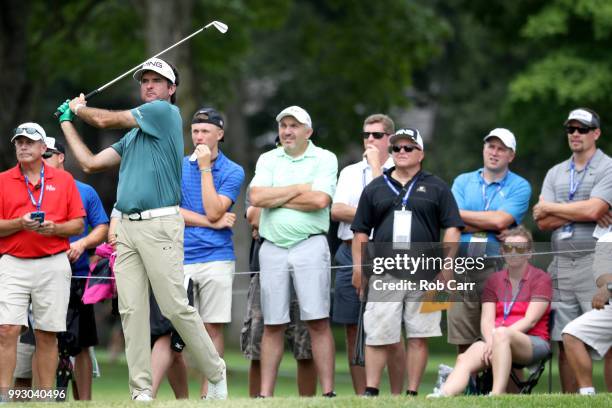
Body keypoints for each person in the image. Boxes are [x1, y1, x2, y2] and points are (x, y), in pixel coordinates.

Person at [57, 57, 226, 400]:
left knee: (174, 306)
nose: (148, 86)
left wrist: (79, 109)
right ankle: (141, 390)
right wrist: (66, 124)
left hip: (160, 224)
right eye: (144, 81)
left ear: (171, 89)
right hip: (128, 230)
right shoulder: (135, 135)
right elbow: (90, 163)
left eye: (156, 81)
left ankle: (216, 371)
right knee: (131, 310)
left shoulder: (165, 113)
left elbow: (105, 118)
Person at [351, 127, 464, 396]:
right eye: (396, 148)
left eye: (408, 148)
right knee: (378, 332)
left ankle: (412, 393)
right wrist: (359, 268)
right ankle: (371, 390)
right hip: (383, 271)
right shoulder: (375, 187)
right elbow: (360, 231)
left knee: (419, 334)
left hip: (427, 273)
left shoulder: (437, 186)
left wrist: (448, 267)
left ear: (421, 153)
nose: (401, 152)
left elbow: (452, 227)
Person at [250, 105, 338, 397]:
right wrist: (300, 187)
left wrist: (276, 197)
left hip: (310, 245)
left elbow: (320, 200)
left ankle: (327, 394)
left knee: (318, 320)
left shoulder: (325, 158)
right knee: (273, 323)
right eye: (283, 125)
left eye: (294, 126)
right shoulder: (268, 158)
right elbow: (256, 196)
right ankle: (265, 395)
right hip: (272, 247)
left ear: (308, 132)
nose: (287, 131)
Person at [0, 123, 85, 400]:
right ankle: (3, 396)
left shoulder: (65, 180)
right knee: (7, 329)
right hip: (13, 261)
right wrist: (19, 224)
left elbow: (77, 225)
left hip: (53, 262)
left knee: (48, 334)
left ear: (42, 148)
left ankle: (44, 399)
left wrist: (55, 229)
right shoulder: (2, 180)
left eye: (29, 142)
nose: (23, 146)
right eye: (19, 142)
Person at [532, 108, 612, 392]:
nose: (576, 134)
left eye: (582, 129)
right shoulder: (556, 172)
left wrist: (555, 208)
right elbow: (542, 221)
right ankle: (572, 399)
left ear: (596, 133)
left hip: (597, 263)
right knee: (564, 339)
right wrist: (586, 211)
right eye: (571, 129)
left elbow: (596, 208)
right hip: (561, 263)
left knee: (607, 339)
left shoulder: (608, 167)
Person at [429, 226, 552, 397]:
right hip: (496, 338)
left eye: (520, 248)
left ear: (529, 253)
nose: (514, 252)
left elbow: (530, 320)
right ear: (502, 251)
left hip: (532, 342)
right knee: (464, 359)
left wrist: (498, 337)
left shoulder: (541, 278)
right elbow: (487, 320)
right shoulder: (494, 280)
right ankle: (443, 395)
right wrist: (490, 341)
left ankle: (496, 394)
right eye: (509, 248)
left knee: (501, 333)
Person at [331, 113, 405, 394]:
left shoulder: (400, 170)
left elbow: (391, 209)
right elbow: (337, 211)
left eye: (377, 135)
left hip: (387, 254)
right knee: (353, 327)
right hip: (350, 252)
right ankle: (364, 396)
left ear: (391, 139)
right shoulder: (350, 171)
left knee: (392, 329)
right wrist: (369, 214)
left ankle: (399, 395)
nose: (370, 140)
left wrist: (376, 168)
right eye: (366, 135)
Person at [179, 107, 244, 398]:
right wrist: (210, 222)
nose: (199, 137)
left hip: (217, 257)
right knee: (175, 333)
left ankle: (210, 395)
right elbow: (173, 211)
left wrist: (205, 168)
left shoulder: (233, 170)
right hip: (180, 255)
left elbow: (216, 207)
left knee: (212, 328)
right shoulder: (178, 166)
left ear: (219, 134)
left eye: (205, 131)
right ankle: (181, 397)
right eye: (195, 131)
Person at [449, 128, 531, 352]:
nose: (494, 152)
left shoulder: (520, 185)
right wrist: (492, 222)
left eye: (501, 149)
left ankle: (503, 387)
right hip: (461, 265)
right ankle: (468, 386)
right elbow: (450, 219)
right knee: (462, 335)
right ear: (484, 149)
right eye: (490, 147)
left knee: (504, 332)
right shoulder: (462, 181)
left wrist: (462, 218)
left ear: (511, 156)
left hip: (500, 267)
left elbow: (500, 220)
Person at [42, 137, 108, 400]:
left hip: (77, 277)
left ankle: (84, 403)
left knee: (81, 344)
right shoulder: (31, 190)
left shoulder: (85, 191)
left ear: (61, 157)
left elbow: (102, 228)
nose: (42, 159)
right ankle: (44, 399)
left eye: (48, 154)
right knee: (44, 340)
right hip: (42, 275)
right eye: (40, 154)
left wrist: (82, 244)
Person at [241, 195, 317, 397]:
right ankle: (260, 401)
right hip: (265, 269)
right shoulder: (262, 178)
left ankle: (308, 402)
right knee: (257, 346)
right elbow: (255, 218)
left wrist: (274, 211)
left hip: (305, 265)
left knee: (306, 347)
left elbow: (313, 214)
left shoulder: (309, 174)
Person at [562, 231, 612, 395]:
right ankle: (587, 395)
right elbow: (602, 276)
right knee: (572, 333)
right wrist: (609, 286)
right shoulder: (606, 239)